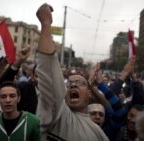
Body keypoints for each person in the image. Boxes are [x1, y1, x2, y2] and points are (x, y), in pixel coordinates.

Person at [35, 3, 109, 141]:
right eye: (70, 83)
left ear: (89, 94)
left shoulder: (99, 134)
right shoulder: (59, 114)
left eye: (80, 83)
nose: (73, 85)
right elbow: (49, 75)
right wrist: (46, 25)